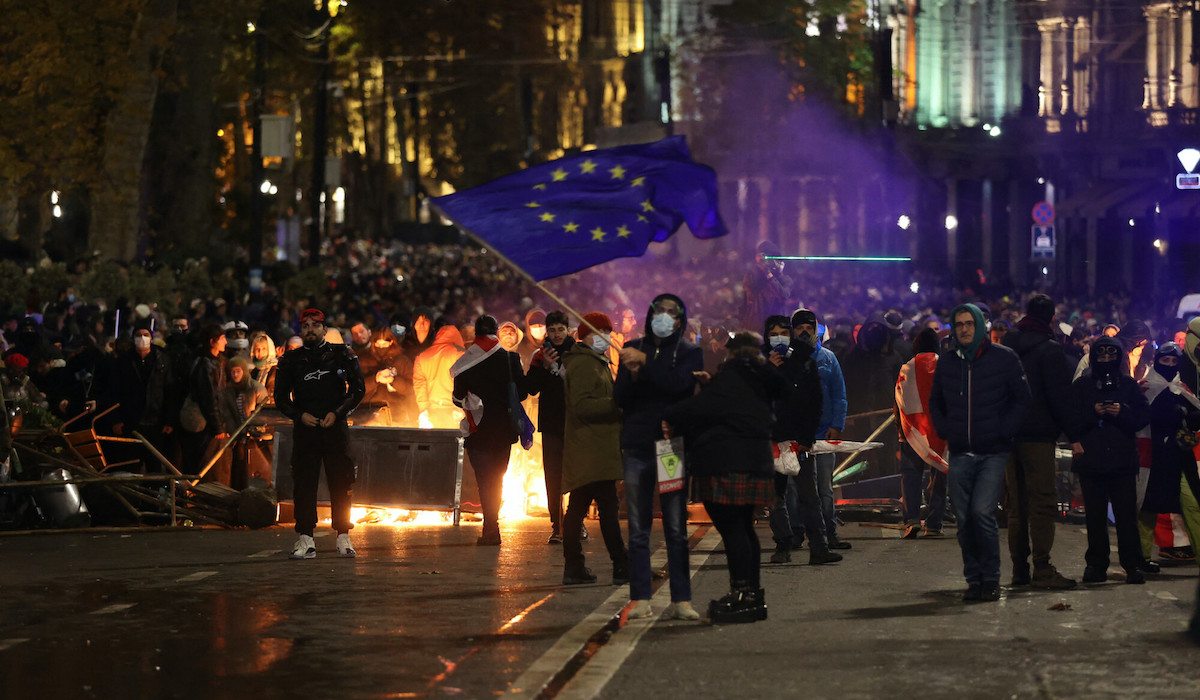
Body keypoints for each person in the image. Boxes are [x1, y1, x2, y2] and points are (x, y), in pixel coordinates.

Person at [663, 332, 785, 623]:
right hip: (754, 462)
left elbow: (696, 409)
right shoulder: (759, 379)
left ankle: (742, 595)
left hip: (726, 463)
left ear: (730, 353)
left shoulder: (731, 378)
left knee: (733, 531)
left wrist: (662, 411)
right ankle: (752, 595)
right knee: (744, 530)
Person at [929, 303, 1032, 602]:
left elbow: (1022, 400)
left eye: (969, 323)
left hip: (993, 452)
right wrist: (946, 429)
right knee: (964, 518)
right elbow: (936, 401)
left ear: (979, 325)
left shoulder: (1004, 358)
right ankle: (974, 580)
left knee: (981, 513)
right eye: (958, 323)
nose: (963, 329)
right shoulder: (948, 363)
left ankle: (991, 579)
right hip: (960, 451)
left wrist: (1004, 430)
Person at [614, 293, 703, 621]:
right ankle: (640, 597)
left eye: (671, 313)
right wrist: (632, 371)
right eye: (659, 312)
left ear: (680, 320)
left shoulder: (690, 352)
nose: (664, 318)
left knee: (676, 525)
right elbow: (619, 397)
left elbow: (678, 387)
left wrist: (646, 365)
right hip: (637, 445)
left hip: (670, 447)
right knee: (638, 526)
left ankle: (682, 598)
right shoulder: (633, 347)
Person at [1001, 294, 1082, 589]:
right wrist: (1074, 435)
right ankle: (1043, 567)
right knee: (1043, 503)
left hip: (1009, 436)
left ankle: (1018, 570)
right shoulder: (1051, 351)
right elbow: (1059, 398)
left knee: (1016, 506)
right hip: (1038, 437)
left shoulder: (1006, 345)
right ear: (1051, 318)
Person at [275, 308, 365, 559]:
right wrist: (298, 414)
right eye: (305, 326)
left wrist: (338, 412)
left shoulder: (342, 354)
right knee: (304, 484)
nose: (310, 329)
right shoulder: (291, 360)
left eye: (315, 325)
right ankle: (305, 538)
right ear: (300, 330)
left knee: (342, 481)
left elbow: (358, 390)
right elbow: (280, 398)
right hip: (306, 432)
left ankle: (343, 535)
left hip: (335, 429)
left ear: (324, 330)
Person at [760, 314, 841, 565]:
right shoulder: (759, 363)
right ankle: (783, 544)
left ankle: (819, 547)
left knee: (809, 495)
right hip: (772, 440)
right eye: (774, 333)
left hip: (800, 441)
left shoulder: (805, 360)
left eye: (783, 332)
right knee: (775, 498)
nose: (779, 337)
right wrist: (770, 371)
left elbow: (814, 401)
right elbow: (755, 399)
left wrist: (807, 437)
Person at [1070, 335, 1151, 584]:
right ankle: (1096, 564)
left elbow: (1142, 416)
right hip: (1091, 459)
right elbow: (1070, 420)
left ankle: (1133, 564)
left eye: (1110, 355)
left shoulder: (1128, 385)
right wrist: (1093, 412)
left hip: (1122, 459)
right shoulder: (1082, 386)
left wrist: (1121, 412)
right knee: (1095, 518)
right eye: (1101, 356)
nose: (1106, 360)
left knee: (1126, 517)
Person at [559, 312, 629, 585]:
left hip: (593, 446)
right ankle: (620, 564)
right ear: (586, 336)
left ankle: (574, 567)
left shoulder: (594, 362)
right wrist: (617, 405)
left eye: (608, 331)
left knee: (578, 507)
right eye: (601, 332)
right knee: (607, 509)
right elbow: (583, 405)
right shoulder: (586, 365)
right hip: (592, 447)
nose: (607, 337)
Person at [451, 314, 528, 546]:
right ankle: (492, 526)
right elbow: (522, 394)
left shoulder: (466, 362)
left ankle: (491, 529)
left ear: (476, 334)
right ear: (496, 333)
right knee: (498, 479)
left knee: (485, 481)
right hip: (504, 430)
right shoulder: (510, 359)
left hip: (479, 432)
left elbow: (456, 399)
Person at [1138, 343, 1200, 573]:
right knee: (1147, 507)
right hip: (1154, 456)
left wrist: (1190, 418)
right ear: (1157, 360)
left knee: (1193, 503)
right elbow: (1141, 419)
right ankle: (1142, 557)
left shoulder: (1180, 387)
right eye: (1166, 361)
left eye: (1174, 362)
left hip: (1180, 456)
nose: (1170, 365)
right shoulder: (1145, 387)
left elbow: (1193, 415)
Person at [794, 308, 851, 550]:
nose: (805, 331)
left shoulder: (828, 358)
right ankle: (797, 534)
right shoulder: (787, 359)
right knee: (797, 489)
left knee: (825, 488)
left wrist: (837, 425)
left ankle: (830, 533)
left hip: (824, 433)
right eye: (800, 327)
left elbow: (839, 395)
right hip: (796, 435)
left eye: (809, 326)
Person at [894, 328, 948, 539]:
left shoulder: (907, 367)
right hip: (938, 431)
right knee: (939, 475)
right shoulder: (943, 364)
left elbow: (898, 399)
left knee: (911, 476)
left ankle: (912, 520)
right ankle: (934, 524)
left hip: (911, 431)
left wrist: (901, 428)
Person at [525, 310, 574, 543]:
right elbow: (530, 388)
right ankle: (557, 524)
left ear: (568, 330)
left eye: (560, 329)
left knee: (575, 475)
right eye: (552, 330)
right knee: (552, 476)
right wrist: (544, 367)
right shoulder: (539, 355)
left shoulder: (578, 353)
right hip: (552, 424)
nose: (556, 334)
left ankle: (576, 523)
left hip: (575, 423)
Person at [105, 321, 177, 473]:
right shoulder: (123, 362)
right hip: (131, 421)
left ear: (151, 337)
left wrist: (169, 419)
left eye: (146, 335)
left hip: (155, 422)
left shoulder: (162, 360)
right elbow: (113, 392)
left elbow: (170, 391)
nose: (142, 338)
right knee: (131, 464)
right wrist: (116, 420)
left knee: (155, 465)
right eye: (138, 335)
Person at [181, 324, 230, 480]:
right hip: (204, 423)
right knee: (201, 463)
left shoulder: (218, 362)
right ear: (212, 341)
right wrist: (218, 426)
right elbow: (208, 398)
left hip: (210, 421)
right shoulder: (205, 365)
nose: (226, 342)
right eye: (222, 338)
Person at [221, 356, 269, 490]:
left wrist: (253, 431)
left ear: (244, 371)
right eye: (233, 372)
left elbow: (264, 415)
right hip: (237, 435)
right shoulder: (228, 390)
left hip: (255, 437)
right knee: (237, 466)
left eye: (238, 371)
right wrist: (234, 433)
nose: (235, 374)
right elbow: (227, 414)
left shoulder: (256, 389)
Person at [414, 322, 466, 429]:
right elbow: (464, 383)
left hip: (432, 411)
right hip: (455, 412)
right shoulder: (460, 354)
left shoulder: (422, 356)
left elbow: (419, 385)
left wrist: (423, 408)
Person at [740, 241, 793, 329]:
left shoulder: (785, 279)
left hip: (776, 326)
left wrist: (776, 274)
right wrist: (760, 269)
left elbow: (782, 295)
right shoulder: (752, 276)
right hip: (756, 325)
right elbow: (750, 290)